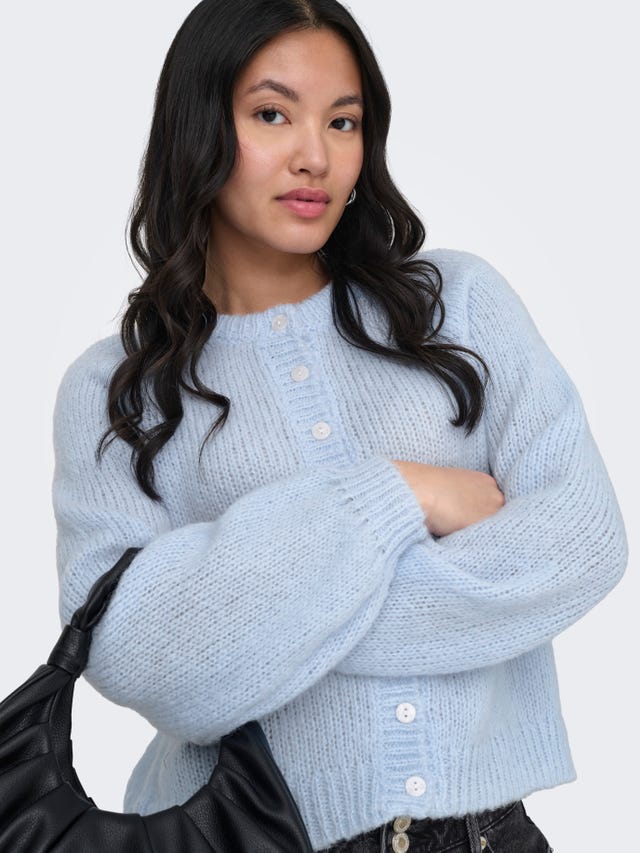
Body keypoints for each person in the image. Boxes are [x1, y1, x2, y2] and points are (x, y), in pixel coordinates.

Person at [51, 0, 628, 851]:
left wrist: (253, 629)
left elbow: (582, 541)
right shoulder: (118, 390)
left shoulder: (457, 306)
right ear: (198, 127)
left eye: (343, 121)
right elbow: (137, 655)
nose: (315, 156)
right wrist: (396, 494)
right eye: (272, 114)